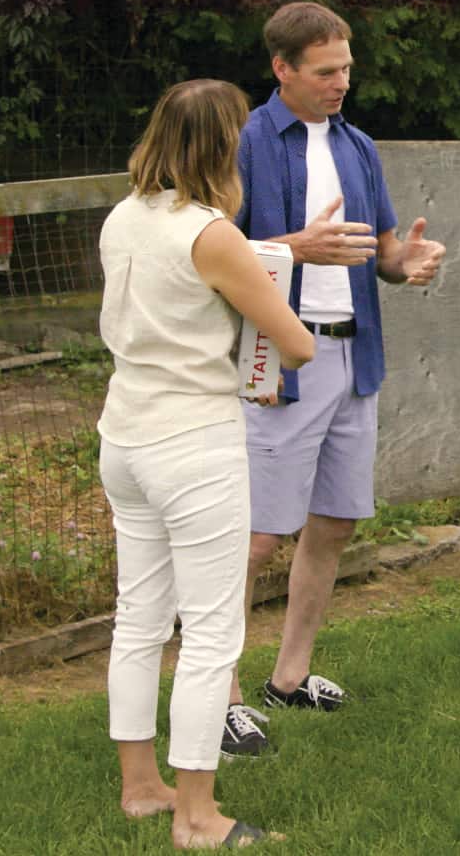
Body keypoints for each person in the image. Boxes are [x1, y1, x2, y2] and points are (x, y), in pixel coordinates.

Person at [221, 1, 446, 757]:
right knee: (255, 539)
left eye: (347, 67)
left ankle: (289, 677)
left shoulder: (360, 147)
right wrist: (296, 246)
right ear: (281, 69)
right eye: (326, 71)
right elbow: (209, 251)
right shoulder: (244, 142)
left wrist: (403, 264)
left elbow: (379, 253)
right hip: (280, 365)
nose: (341, 82)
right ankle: (216, 697)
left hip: (355, 359)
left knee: (335, 523)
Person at [97, 79, 316, 848]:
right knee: (213, 633)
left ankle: (141, 787)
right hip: (193, 445)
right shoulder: (211, 232)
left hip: (123, 437)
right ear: (226, 147)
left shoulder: (123, 217)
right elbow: (296, 343)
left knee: (139, 620)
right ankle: (196, 815)